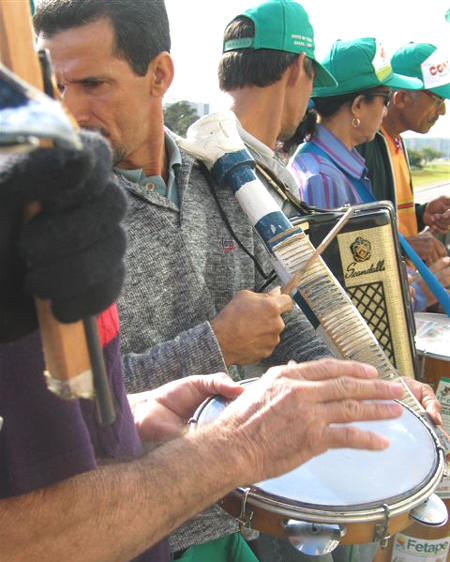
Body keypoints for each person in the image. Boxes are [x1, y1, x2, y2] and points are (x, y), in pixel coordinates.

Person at [33, 1, 444, 560]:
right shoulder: (47, 219)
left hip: (258, 503)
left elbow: (288, 317)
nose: (68, 110)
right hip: (140, 527)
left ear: (159, 75)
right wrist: (215, 343)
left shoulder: (223, 178)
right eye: (55, 86)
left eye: (92, 84)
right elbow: (62, 404)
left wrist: (371, 388)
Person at [288, 38, 449, 312]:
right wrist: (421, 291)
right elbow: (337, 299)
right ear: (358, 105)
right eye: (384, 100)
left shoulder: (342, 167)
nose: (386, 111)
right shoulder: (323, 180)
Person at [357, 42, 449, 273]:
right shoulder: (368, 144)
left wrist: (422, 213)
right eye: (438, 100)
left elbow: (390, 218)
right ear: (401, 98)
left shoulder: (396, 141)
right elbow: (357, 238)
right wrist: (405, 247)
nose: (442, 111)